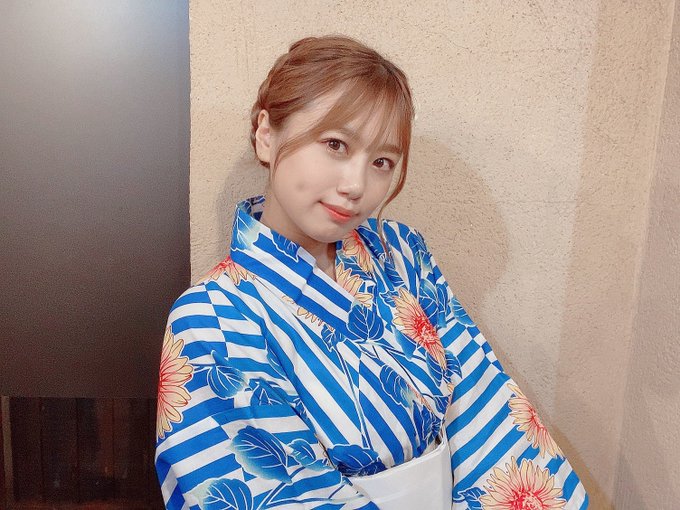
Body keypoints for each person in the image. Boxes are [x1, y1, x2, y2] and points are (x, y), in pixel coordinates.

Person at [155, 35, 588, 509]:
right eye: (335, 144)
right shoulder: (211, 318)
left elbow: (480, 409)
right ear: (266, 134)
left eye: (382, 161)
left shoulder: (401, 252)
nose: (356, 185)